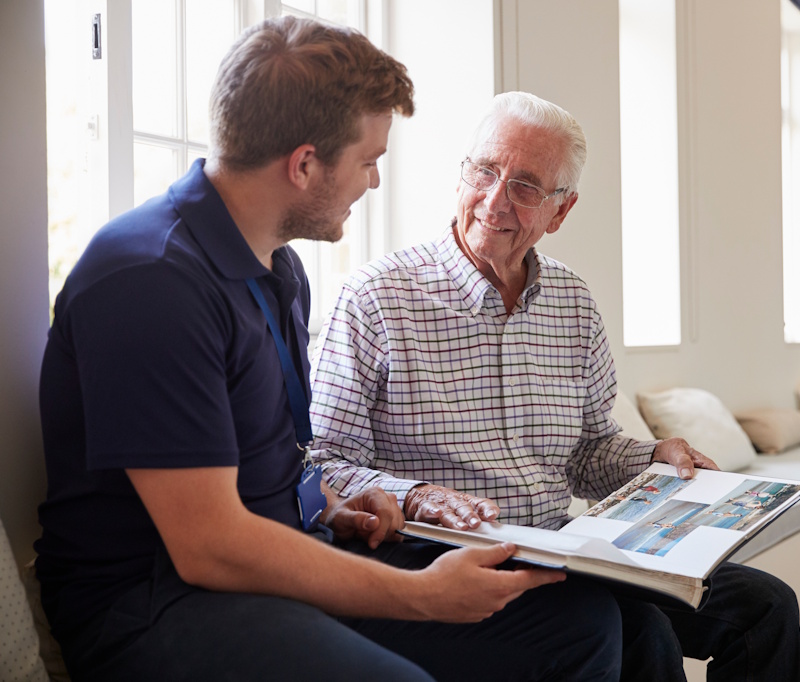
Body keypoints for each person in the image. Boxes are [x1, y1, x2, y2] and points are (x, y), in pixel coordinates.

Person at [34, 20, 624, 682]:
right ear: (306, 164)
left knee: (577, 627)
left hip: (273, 557)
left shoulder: (278, 271)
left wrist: (328, 505)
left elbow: (278, 457)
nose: (374, 183)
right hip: (154, 601)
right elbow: (209, 548)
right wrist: (423, 596)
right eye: (369, 161)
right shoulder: (149, 278)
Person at [310, 91, 800, 681]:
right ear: (462, 173)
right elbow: (325, 464)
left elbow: (589, 452)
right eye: (485, 171)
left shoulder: (573, 304)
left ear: (560, 212)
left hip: (567, 547)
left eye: (525, 186)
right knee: (641, 631)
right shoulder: (374, 297)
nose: (495, 201)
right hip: (442, 555)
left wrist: (655, 456)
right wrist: (419, 494)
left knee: (766, 608)